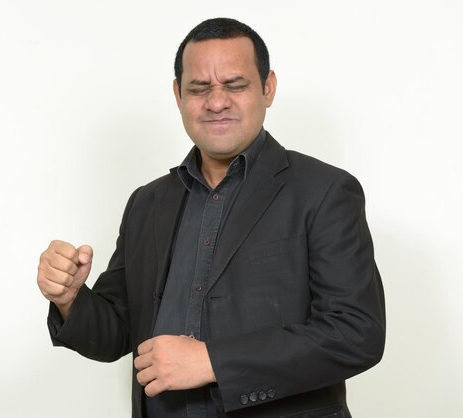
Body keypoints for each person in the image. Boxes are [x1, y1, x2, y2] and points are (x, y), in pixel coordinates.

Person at [37, 17, 385, 418]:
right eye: (199, 88)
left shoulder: (324, 191)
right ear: (177, 94)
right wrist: (69, 300)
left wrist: (212, 362)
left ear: (268, 87)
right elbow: (116, 334)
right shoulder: (146, 203)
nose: (216, 102)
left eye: (235, 85)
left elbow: (357, 334)